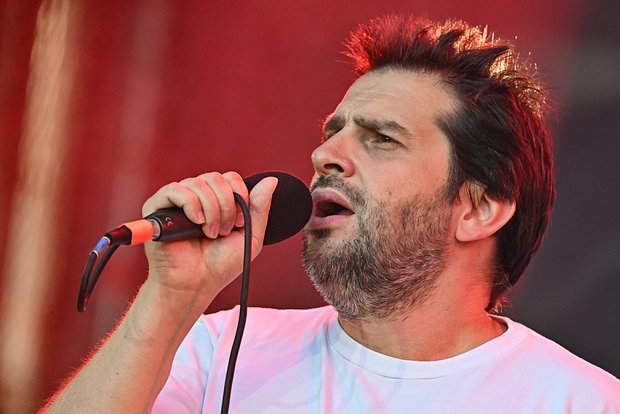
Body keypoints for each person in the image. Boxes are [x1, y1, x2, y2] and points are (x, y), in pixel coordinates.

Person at [44, 15, 619, 413]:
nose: (324, 156)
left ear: (479, 208)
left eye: (382, 138)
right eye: (332, 133)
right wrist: (169, 299)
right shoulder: (215, 349)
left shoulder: (581, 401)